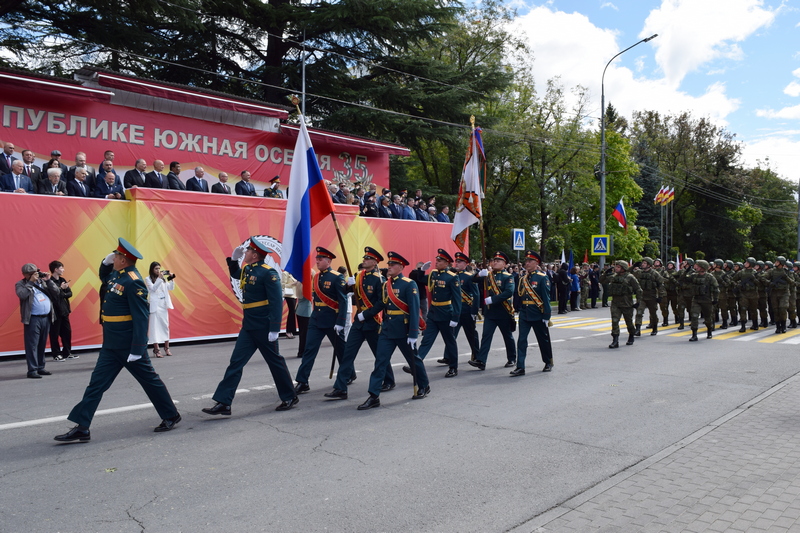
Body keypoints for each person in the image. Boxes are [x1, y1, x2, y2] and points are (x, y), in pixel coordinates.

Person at [54, 239, 181, 442]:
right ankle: (83, 427)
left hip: (128, 345)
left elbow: (141, 317)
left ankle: (171, 415)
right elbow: (105, 277)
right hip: (111, 345)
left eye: (116, 257)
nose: (113, 260)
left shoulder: (133, 281)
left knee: (150, 381)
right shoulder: (117, 276)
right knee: (95, 385)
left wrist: (138, 348)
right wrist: (104, 263)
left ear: (123, 259)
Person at [201, 238, 298, 416]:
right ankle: (224, 402)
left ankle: (289, 396)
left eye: (246, 252)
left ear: (254, 255)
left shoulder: (269, 273)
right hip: (249, 325)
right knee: (236, 362)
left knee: (275, 362)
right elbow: (237, 274)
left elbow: (276, 302)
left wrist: (275, 328)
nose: (244, 254)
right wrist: (233, 260)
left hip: (264, 326)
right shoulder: (248, 269)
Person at [357, 251, 430, 410]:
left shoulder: (409, 284)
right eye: (388, 264)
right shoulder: (385, 285)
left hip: (403, 330)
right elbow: (381, 305)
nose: (389, 267)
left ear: (401, 267)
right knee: (380, 362)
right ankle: (374, 395)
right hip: (387, 330)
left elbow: (414, 308)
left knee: (414, 360)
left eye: (392, 264)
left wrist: (412, 333)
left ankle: (423, 385)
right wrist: (366, 314)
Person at [324, 247, 395, 400]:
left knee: (379, 355)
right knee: (348, 354)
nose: (364, 260)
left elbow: (381, 303)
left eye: (368, 259)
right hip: (358, 323)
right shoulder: (358, 275)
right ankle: (340, 388)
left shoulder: (379, 279)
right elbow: (347, 293)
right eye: (364, 258)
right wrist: (347, 285)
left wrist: (367, 314)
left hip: (372, 322)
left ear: (375, 262)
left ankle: (389, 380)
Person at [293, 247, 347, 395]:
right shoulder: (316, 277)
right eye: (317, 259)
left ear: (328, 262)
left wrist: (341, 322)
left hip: (332, 320)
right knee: (309, 350)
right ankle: (303, 381)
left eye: (320, 259)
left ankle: (348, 373)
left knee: (341, 351)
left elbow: (343, 301)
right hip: (316, 319)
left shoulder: (337, 277)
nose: (317, 261)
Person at [407, 249, 461, 378]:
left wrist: (455, 317)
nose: (437, 262)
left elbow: (457, 299)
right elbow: (420, 279)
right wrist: (421, 270)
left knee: (449, 341)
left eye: (440, 260)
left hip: (446, 314)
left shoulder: (452, 277)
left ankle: (453, 367)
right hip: (433, 314)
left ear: (447, 262)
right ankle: (416, 364)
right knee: (426, 340)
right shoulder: (433, 274)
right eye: (437, 260)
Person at [469, 251, 516, 370]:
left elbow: (508, 292)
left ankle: (512, 358)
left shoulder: (508, 276)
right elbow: (472, 280)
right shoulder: (488, 275)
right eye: (494, 260)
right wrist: (479, 274)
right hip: (490, 313)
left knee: (507, 336)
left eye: (498, 261)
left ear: (504, 264)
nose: (495, 262)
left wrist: (493, 299)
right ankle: (481, 361)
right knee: (486, 336)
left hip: (503, 311)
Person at [16, 263, 60, 378]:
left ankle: (41, 367)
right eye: (30, 274)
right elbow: (22, 295)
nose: (34, 276)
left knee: (42, 344)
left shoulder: (43, 282)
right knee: (32, 345)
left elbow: (56, 292)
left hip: (46, 317)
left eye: (35, 273)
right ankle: (32, 370)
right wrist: (30, 282)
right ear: (25, 275)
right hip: (33, 318)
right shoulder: (21, 284)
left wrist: (49, 281)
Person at [514, 250, 553, 375]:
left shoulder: (542, 277)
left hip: (538, 313)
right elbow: (520, 296)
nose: (527, 263)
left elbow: (546, 298)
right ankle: (520, 366)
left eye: (530, 261)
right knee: (521, 340)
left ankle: (548, 361)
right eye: (526, 261)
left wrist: (547, 315)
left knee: (543, 340)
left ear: (537, 263)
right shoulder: (523, 278)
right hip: (524, 313)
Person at [601, 260, 642, 348]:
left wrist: (638, 302)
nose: (616, 268)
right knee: (615, 321)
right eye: (616, 266)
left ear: (623, 268)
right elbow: (602, 281)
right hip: (615, 302)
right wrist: (605, 273)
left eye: (618, 267)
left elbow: (638, 289)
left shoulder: (630, 277)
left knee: (629, 322)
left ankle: (631, 335)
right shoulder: (613, 277)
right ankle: (615, 341)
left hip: (627, 303)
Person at [450, 252, 480, 364]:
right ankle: (448, 356)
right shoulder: (452, 276)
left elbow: (476, 294)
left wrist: (474, 311)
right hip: (455, 310)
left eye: (459, 261)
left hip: (467, 310)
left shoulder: (469, 277)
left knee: (471, 335)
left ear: (465, 263)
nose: (456, 263)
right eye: (456, 261)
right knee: (451, 335)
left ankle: (477, 356)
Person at [145, 262, 176, 357]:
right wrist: (159, 278)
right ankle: (156, 349)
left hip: (163, 305)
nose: (158, 270)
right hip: (155, 306)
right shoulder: (148, 279)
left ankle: (166, 347)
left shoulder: (162, 279)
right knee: (154, 327)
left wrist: (171, 279)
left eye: (159, 268)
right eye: (156, 269)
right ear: (152, 270)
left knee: (165, 326)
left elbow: (170, 288)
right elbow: (153, 289)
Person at [48, 260, 75, 361]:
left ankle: (67, 352)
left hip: (64, 310)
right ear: (55, 269)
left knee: (67, 332)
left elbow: (69, 293)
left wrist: (63, 293)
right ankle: (56, 354)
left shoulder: (62, 279)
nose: (63, 270)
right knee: (55, 333)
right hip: (55, 311)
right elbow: (53, 295)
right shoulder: (49, 282)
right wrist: (61, 289)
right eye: (61, 268)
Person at [689, 260, 720, 341]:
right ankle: (694, 334)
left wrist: (715, 299)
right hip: (696, 299)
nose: (696, 267)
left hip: (706, 300)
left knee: (708, 318)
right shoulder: (693, 276)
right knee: (694, 316)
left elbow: (716, 289)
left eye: (698, 266)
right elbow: (683, 279)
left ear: (703, 267)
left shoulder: (710, 277)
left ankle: (709, 331)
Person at [763, 256, 794, 334]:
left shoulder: (787, 272)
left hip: (784, 293)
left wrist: (786, 277)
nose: (775, 263)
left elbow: (793, 282)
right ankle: (778, 327)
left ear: (781, 263)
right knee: (776, 310)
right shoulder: (772, 271)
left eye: (777, 262)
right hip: (774, 292)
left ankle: (783, 326)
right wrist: (770, 283)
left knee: (783, 308)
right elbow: (762, 277)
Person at [633, 257, 663, 336]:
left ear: (649, 265)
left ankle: (655, 328)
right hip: (642, 296)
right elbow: (629, 274)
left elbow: (660, 285)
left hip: (652, 296)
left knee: (653, 313)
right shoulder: (639, 272)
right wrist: (633, 266)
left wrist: (660, 296)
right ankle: (638, 329)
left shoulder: (654, 273)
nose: (642, 264)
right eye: (642, 263)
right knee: (639, 312)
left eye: (644, 263)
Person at [733, 257, 760, 332]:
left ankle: (755, 324)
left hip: (753, 293)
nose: (745, 263)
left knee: (753, 310)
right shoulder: (741, 272)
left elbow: (760, 284)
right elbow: (733, 280)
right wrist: (737, 285)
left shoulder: (755, 272)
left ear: (751, 264)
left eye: (747, 263)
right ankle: (743, 325)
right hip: (743, 293)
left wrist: (754, 279)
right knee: (743, 309)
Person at [282, 269, 298, 339]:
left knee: (293, 312)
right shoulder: (285, 273)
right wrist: (292, 284)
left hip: (295, 294)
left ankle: (291, 330)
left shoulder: (294, 273)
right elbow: (282, 285)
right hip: (289, 295)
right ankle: (288, 331)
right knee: (292, 311)